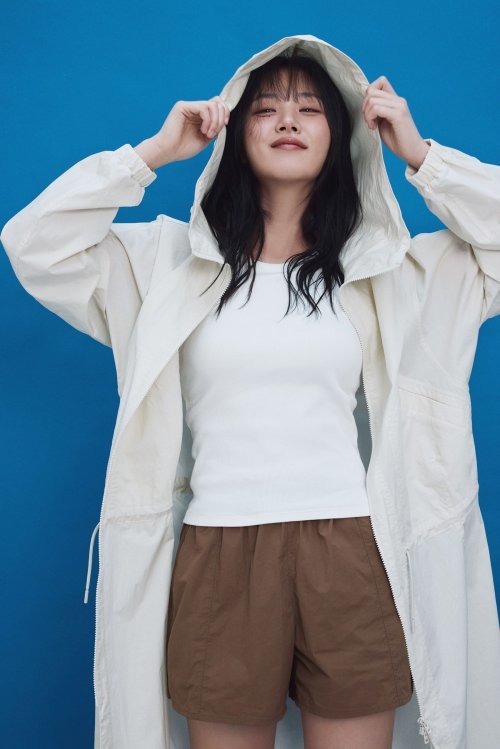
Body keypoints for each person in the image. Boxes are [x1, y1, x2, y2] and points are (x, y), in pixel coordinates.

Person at [2, 35, 500, 749]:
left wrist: (422, 157)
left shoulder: (389, 271)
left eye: (309, 108)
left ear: (343, 136)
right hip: (220, 554)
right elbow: (32, 242)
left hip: (349, 551)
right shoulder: (166, 263)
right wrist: (151, 154)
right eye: (265, 108)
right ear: (235, 135)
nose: (287, 120)